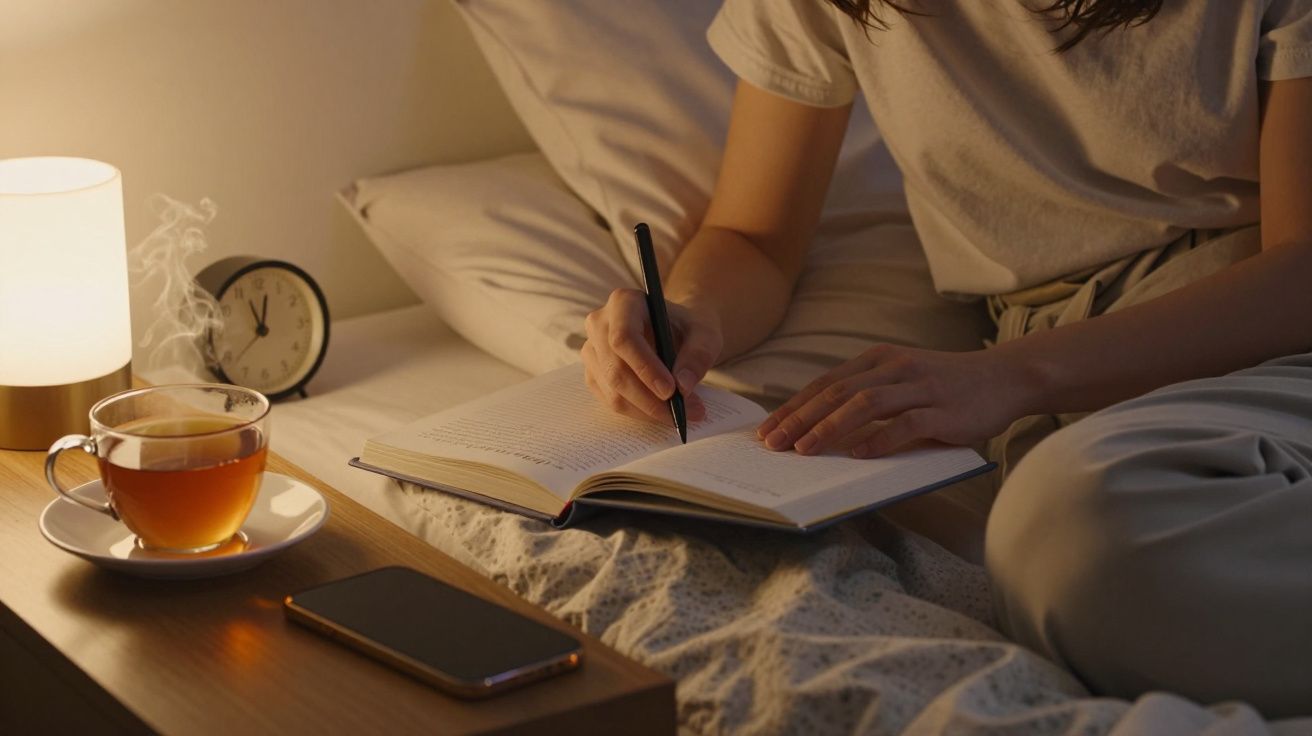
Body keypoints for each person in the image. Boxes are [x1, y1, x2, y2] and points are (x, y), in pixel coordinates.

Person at [579, 0, 1311, 717]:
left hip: (1259, 345)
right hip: (1064, 372)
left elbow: (1300, 273)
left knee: (1074, 534)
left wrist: (1013, 374)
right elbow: (755, 236)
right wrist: (690, 315)